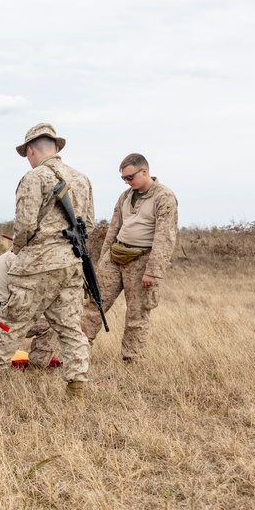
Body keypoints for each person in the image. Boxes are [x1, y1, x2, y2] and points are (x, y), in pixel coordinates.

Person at [0, 123, 94, 401]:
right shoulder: (82, 180)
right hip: (71, 265)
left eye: (27, 153)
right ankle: (76, 387)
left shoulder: (34, 178)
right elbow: (89, 225)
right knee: (70, 327)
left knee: (10, 321)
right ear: (57, 148)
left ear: (31, 150)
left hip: (38, 266)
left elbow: (23, 225)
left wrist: (20, 249)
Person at [80, 153, 178, 361]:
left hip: (142, 261)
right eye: (123, 178)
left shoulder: (164, 197)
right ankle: (78, 353)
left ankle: (132, 360)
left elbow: (165, 237)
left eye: (130, 177)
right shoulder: (125, 196)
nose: (126, 181)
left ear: (144, 171)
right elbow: (113, 228)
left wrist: (153, 271)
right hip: (115, 256)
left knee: (137, 313)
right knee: (94, 304)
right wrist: (102, 260)